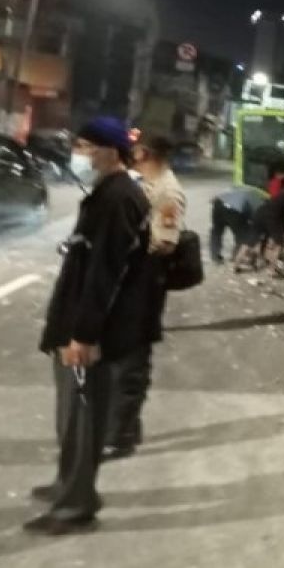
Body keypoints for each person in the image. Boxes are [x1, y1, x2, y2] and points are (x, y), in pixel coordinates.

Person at [26, 117, 150, 536]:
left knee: (82, 420)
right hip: (74, 325)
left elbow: (106, 273)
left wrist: (84, 334)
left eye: (84, 146)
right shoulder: (105, 193)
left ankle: (75, 506)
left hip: (89, 332)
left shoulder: (119, 199)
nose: (77, 154)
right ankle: (68, 486)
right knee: (70, 417)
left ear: (111, 152)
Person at [103, 135, 186, 459]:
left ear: (144, 152)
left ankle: (119, 435)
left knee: (130, 361)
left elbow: (165, 242)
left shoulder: (167, 190)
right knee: (119, 357)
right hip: (131, 281)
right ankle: (125, 427)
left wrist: (130, 246)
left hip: (146, 282)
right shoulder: (144, 184)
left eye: (134, 150)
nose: (129, 154)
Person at [210, 186, 267, 264]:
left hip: (218, 205)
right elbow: (254, 218)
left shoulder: (234, 191)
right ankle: (236, 255)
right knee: (242, 234)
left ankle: (215, 256)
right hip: (234, 211)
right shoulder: (257, 201)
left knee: (216, 232)